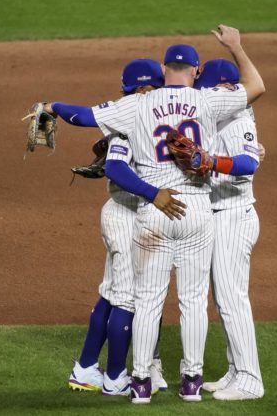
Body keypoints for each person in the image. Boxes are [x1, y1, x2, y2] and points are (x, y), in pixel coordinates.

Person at [45, 24, 265, 403]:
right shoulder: (209, 100)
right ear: (196, 72)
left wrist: (51, 107)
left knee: (146, 300)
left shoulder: (138, 104)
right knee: (194, 300)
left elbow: (82, 116)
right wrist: (237, 48)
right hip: (197, 209)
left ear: (163, 70)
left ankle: (142, 382)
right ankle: (192, 383)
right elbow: (256, 88)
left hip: (155, 208)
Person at [67, 59, 173, 396]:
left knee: (111, 294)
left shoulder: (130, 112)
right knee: (126, 299)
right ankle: (115, 378)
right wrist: (153, 192)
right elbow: (114, 166)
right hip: (127, 215)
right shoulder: (134, 117)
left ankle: (84, 368)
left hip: (120, 212)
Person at [194, 59, 265, 400]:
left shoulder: (236, 119)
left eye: (205, 89)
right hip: (220, 214)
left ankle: (251, 379)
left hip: (233, 217)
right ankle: (236, 370)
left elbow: (248, 164)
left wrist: (211, 161)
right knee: (224, 301)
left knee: (232, 300)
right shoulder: (220, 116)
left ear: (222, 88)